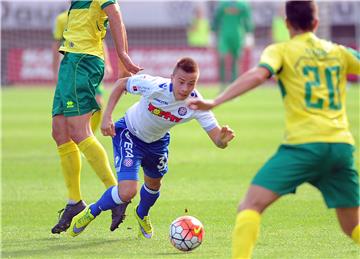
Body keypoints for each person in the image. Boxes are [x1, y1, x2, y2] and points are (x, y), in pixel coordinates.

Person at [188, 1, 360, 258]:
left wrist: (215, 101)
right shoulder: (339, 52)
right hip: (340, 147)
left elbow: (258, 75)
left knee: (250, 206)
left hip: (304, 146)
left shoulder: (280, 50)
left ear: (287, 23)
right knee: (352, 227)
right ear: (316, 23)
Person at [67, 57, 235, 238]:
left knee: (154, 185)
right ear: (172, 78)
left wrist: (223, 140)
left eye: (191, 83)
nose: (185, 88)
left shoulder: (196, 104)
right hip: (129, 133)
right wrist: (107, 117)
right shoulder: (155, 86)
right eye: (181, 82)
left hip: (158, 142)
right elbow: (122, 84)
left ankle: (141, 214)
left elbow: (217, 140)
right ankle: (92, 211)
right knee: (127, 191)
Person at [51, 0, 142, 235]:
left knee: (80, 132)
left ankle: (117, 194)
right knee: (60, 133)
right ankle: (75, 202)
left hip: (83, 60)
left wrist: (122, 54)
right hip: (70, 59)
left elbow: (115, 14)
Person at [52, 9, 114, 133]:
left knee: (98, 103)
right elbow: (56, 44)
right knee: (71, 108)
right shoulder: (62, 19)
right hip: (73, 67)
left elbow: (101, 40)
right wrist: (55, 68)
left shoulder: (92, 13)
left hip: (91, 64)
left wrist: (107, 63)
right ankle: (81, 136)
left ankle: (89, 134)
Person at [212, 0, 254, 91]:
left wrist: (249, 35)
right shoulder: (223, 4)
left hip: (238, 35)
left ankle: (233, 86)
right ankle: (222, 84)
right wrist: (212, 33)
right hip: (224, 35)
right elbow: (216, 19)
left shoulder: (243, 5)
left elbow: (247, 20)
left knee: (236, 60)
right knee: (222, 58)